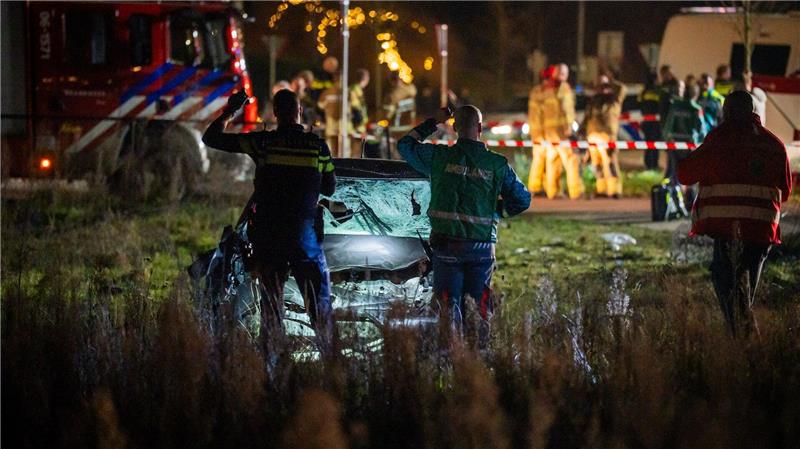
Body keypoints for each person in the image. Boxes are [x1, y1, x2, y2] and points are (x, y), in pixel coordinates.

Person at [202, 89, 337, 353]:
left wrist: (231, 110)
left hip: (269, 237)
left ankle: (271, 368)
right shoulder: (317, 147)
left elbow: (212, 138)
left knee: (271, 309)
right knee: (320, 308)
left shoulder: (263, 143)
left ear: (275, 114)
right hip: (304, 237)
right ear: (299, 112)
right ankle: (332, 367)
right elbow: (330, 188)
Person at [397, 105, 531, 335]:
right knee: (478, 310)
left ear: (455, 128)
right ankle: (478, 360)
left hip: (446, 246)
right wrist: (496, 211)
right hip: (481, 248)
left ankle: (449, 358)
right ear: (480, 127)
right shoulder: (497, 164)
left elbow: (405, 146)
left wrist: (433, 121)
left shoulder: (439, 157)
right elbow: (522, 199)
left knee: (448, 309)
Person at [677, 90, 791, 336]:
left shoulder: (719, 140)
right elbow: (786, 190)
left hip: (727, 230)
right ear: (752, 111)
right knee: (744, 295)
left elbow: (685, 174)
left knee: (729, 290)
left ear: (726, 112)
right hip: (762, 232)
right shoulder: (774, 144)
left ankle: (746, 345)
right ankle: (746, 349)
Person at [582, 72, 627, 198]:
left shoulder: (614, 99)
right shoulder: (593, 101)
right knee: (597, 165)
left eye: (604, 85)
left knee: (610, 163)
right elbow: (587, 118)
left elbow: (623, 89)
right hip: (592, 136)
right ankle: (601, 189)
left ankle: (615, 190)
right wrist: (582, 131)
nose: (602, 88)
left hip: (607, 136)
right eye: (599, 85)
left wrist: (611, 81)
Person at [662, 80, 707, 190]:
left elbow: (668, 126)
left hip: (674, 144)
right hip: (690, 145)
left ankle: (675, 199)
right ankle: (689, 201)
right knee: (691, 175)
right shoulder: (696, 109)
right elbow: (702, 130)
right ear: (696, 95)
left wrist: (668, 139)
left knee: (675, 172)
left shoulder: (675, 106)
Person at [638, 71, 664, 170]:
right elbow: (661, 105)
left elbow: (639, 104)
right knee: (655, 144)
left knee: (648, 143)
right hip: (656, 122)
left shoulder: (644, 91)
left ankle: (648, 164)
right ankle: (654, 165)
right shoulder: (658, 91)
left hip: (646, 121)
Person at [349, 69, 370, 157]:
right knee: (355, 155)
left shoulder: (355, 89)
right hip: (356, 129)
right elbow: (356, 110)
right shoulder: (355, 90)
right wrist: (359, 126)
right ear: (366, 79)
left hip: (357, 128)